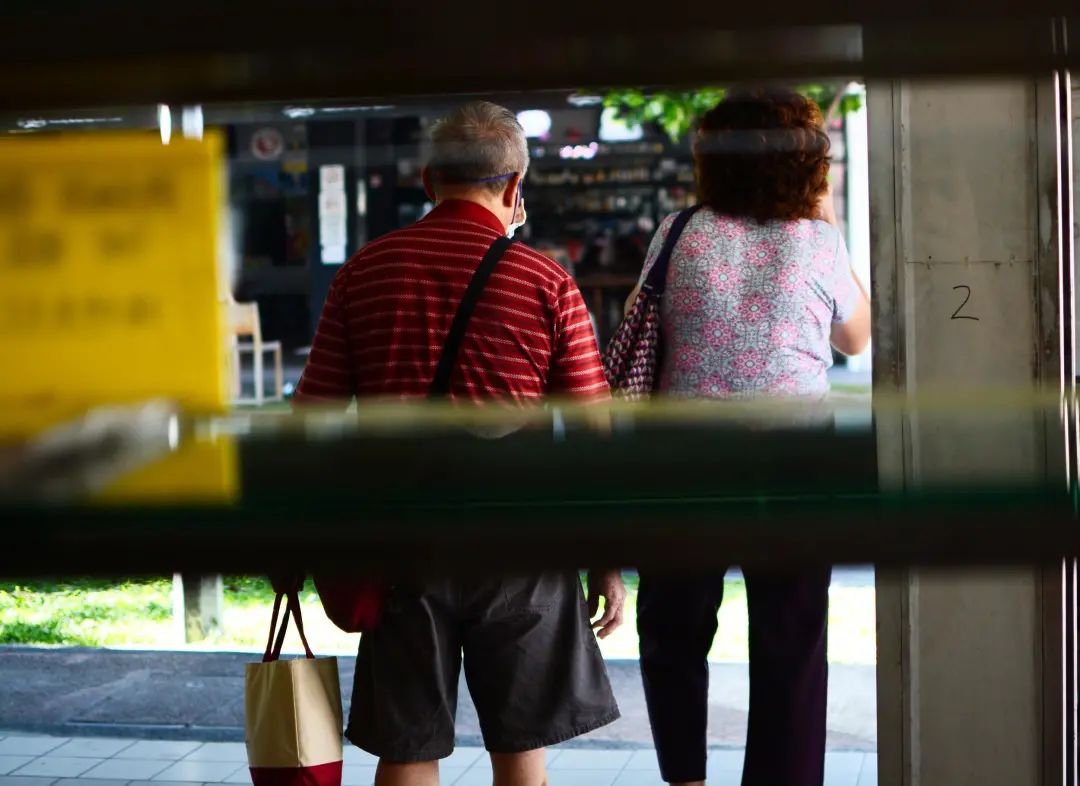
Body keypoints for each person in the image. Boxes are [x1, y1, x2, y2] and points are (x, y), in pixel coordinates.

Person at [292, 101, 624, 786]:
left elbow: (312, 415)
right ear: (513, 188)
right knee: (521, 742)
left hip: (404, 540)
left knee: (409, 747)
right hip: (520, 543)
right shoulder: (547, 282)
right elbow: (596, 432)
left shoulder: (364, 272)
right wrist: (607, 563)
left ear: (426, 181)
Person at [630, 88, 871, 786]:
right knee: (790, 642)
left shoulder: (679, 232)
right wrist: (824, 216)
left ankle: (687, 777)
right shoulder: (818, 242)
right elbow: (856, 336)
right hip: (794, 462)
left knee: (673, 630)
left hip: (686, 460)